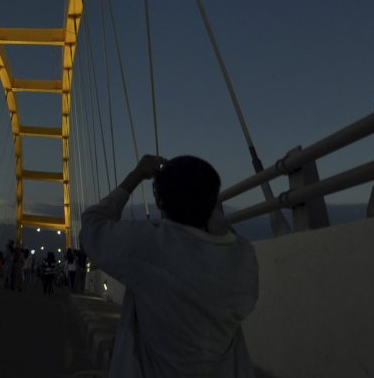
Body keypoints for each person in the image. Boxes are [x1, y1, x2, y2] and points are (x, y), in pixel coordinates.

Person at [81, 154, 259, 377]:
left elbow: (91, 226)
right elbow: (220, 230)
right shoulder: (243, 257)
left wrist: (135, 176)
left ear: (159, 200)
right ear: (213, 200)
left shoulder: (149, 244)